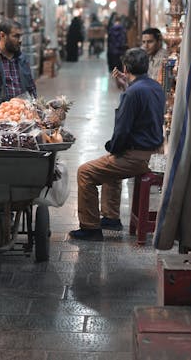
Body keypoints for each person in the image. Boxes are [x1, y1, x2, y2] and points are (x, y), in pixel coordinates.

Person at [69, 46, 165, 241]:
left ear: (126, 68)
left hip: (137, 157)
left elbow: (122, 132)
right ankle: (111, 217)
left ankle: (90, 227)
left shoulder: (132, 94)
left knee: (86, 171)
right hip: (154, 153)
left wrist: (113, 148)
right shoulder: (156, 87)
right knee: (110, 162)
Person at [113, 27, 168, 91]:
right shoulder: (146, 54)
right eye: (144, 42)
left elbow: (154, 83)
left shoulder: (163, 58)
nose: (146, 45)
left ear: (159, 42)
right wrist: (127, 78)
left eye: (150, 42)